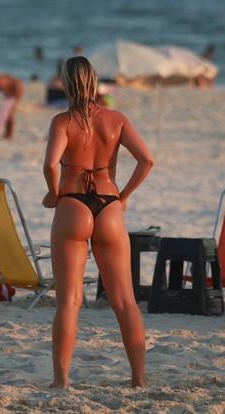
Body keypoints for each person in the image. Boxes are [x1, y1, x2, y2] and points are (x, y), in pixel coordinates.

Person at [42, 56, 153, 388]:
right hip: (109, 205)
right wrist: (125, 196)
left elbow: (50, 164)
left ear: (65, 82)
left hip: (72, 203)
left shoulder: (62, 121)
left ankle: (61, 381)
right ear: (95, 82)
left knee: (69, 301)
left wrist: (53, 192)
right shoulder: (116, 119)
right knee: (124, 300)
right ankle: (138, 378)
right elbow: (147, 160)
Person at [0, 74, 24, 139]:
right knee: (7, 115)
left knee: (9, 114)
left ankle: (9, 134)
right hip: (11, 89)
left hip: (16, 88)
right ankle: (7, 134)